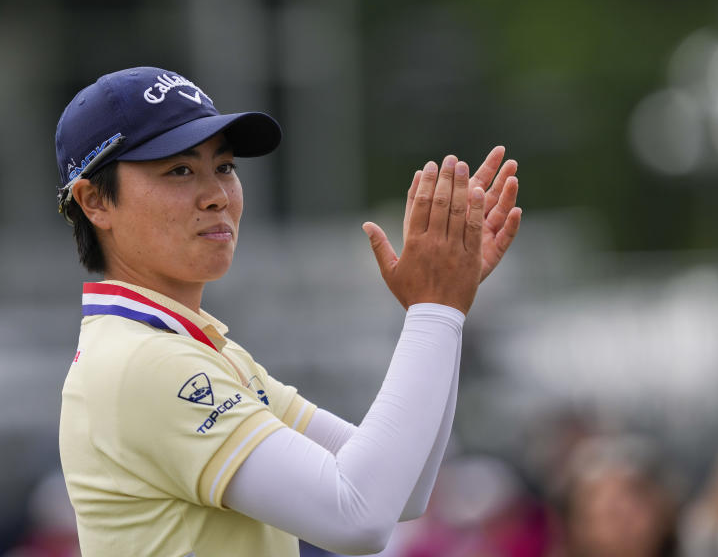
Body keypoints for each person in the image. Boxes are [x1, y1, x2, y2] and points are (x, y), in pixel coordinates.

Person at [55, 66, 521, 556]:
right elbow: (357, 516)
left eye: (225, 167)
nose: (217, 196)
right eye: (179, 170)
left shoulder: (192, 350)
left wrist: (445, 309)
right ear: (94, 202)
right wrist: (434, 308)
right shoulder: (145, 362)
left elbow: (402, 492)